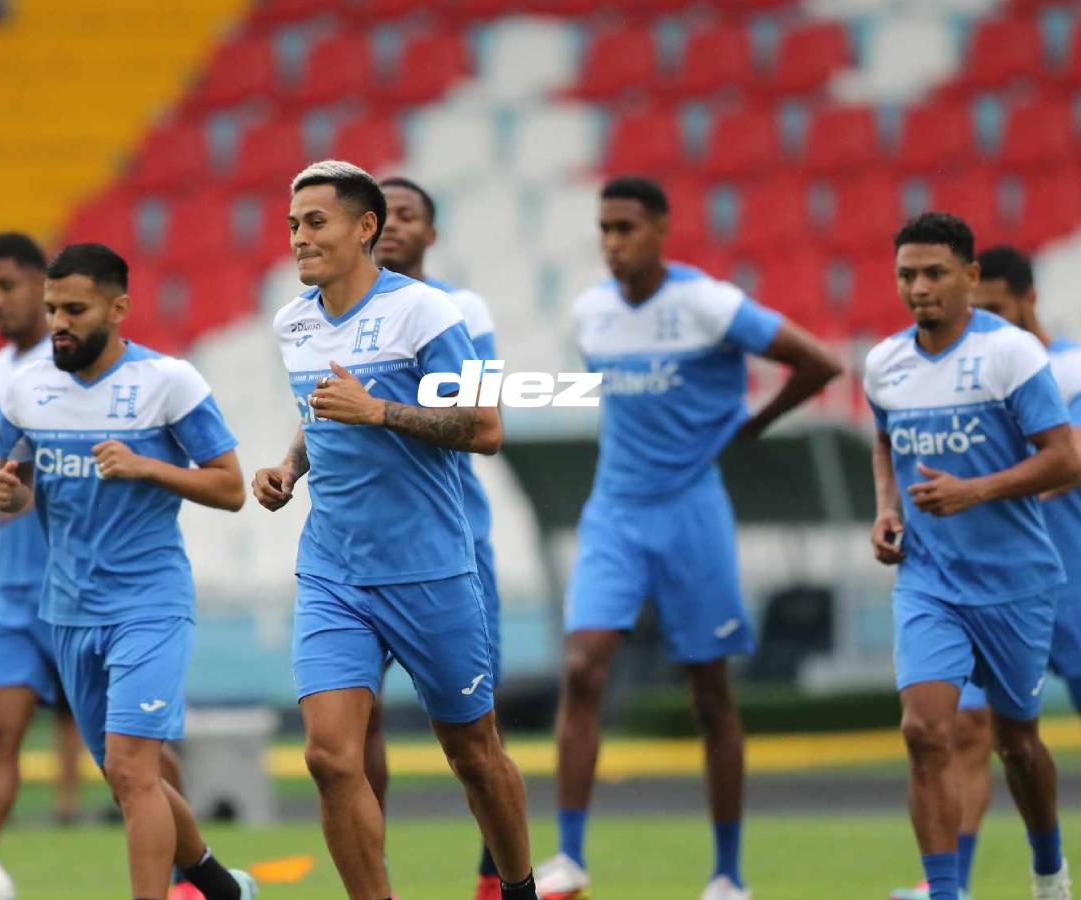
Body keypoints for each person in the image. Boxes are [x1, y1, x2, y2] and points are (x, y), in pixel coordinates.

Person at [534, 175, 843, 900]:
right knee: (582, 670)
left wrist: (750, 427)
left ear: (662, 229)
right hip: (614, 511)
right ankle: (569, 859)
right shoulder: (591, 315)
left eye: (627, 228)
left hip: (691, 511)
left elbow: (821, 363)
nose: (613, 244)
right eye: (604, 229)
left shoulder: (707, 304)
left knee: (710, 692)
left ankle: (728, 873)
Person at [253, 160, 537, 900]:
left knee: (474, 755)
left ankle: (519, 890)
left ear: (365, 227)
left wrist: (378, 410)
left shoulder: (427, 315)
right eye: (292, 225)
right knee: (329, 757)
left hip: (430, 569)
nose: (299, 239)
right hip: (333, 572)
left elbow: (484, 426)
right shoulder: (294, 322)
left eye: (315, 222)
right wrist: (289, 466)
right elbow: (324, 414)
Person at [0, 243, 256, 900]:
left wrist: (146, 465)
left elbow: (230, 487)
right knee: (128, 775)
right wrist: (8, 496)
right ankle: (221, 887)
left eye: (74, 308)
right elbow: (19, 486)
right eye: (51, 309)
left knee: (133, 769)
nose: (58, 323)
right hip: (69, 610)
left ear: (119, 307)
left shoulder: (169, 383)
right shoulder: (24, 393)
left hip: (149, 605)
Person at [866, 213, 1076, 900]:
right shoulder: (885, 362)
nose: (918, 288)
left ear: (971, 276)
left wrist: (975, 490)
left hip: (1015, 583)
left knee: (1018, 743)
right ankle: (946, 892)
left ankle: (1048, 871)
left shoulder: (1011, 355)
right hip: (929, 582)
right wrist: (887, 510)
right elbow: (883, 441)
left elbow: (1063, 459)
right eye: (906, 275)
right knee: (927, 732)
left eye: (934, 273)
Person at [368, 174, 507, 900]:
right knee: (349, 722)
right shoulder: (334, 314)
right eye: (381, 213)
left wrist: (378, 402)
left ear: (432, 233)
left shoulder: (461, 309)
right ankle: (372, 871)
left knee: (476, 727)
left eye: (408, 213)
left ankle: (494, 875)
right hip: (358, 544)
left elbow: (478, 416)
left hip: (448, 534)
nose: (392, 224)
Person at [0, 231, 85, 859]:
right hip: (10, 588)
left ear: (45, 285)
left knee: (130, 760)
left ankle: (200, 875)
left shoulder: (80, 366)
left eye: (8, 285)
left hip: (81, 585)